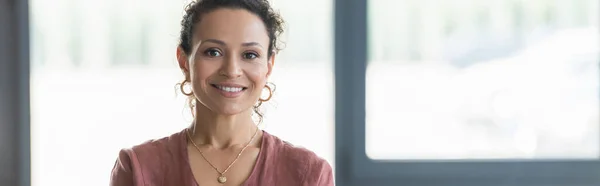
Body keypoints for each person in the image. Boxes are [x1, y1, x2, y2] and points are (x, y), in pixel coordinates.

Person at [109, 0, 334, 185]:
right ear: (184, 61)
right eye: (213, 52)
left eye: (250, 55)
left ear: (269, 65)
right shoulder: (139, 168)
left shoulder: (309, 174)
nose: (232, 70)